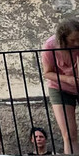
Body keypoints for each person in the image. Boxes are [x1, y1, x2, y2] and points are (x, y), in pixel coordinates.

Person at [43, 18, 79, 154]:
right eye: (72, 40)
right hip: (60, 87)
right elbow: (47, 73)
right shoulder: (50, 45)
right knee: (69, 134)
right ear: (63, 39)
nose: (77, 43)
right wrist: (68, 79)